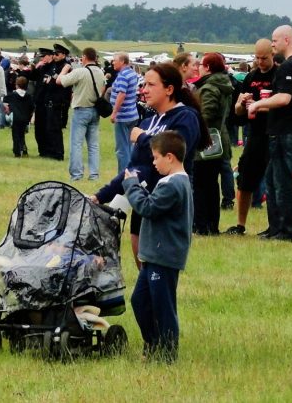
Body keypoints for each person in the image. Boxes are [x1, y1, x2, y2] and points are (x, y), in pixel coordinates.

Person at [93, 63, 204, 268]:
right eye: (143, 85)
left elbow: (176, 152)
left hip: (166, 203)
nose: (144, 90)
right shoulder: (147, 121)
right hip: (142, 200)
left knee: (157, 276)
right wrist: (101, 196)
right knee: (144, 276)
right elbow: (134, 168)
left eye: (151, 85)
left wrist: (143, 138)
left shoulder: (186, 116)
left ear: (169, 89)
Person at [123, 131, 192, 363]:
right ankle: (153, 344)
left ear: (170, 157)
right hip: (154, 256)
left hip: (164, 257)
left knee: (164, 307)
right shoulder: (170, 182)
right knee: (140, 301)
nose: (153, 162)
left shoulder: (174, 185)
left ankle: (167, 355)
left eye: (155, 157)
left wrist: (131, 185)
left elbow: (147, 208)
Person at [247, 25, 292, 241]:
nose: (272, 44)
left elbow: (284, 98)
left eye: (275, 40)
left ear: (287, 40)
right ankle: (275, 227)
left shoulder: (288, 67)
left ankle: (285, 230)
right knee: (273, 179)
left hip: (285, 130)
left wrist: (257, 104)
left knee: (280, 180)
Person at [225, 39, 277, 235]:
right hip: (254, 134)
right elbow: (238, 114)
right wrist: (240, 104)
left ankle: (275, 226)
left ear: (272, 54)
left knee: (273, 182)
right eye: (257, 58)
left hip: (273, 134)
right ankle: (240, 225)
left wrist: (259, 103)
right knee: (245, 180)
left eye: (264, 58)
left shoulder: (278, 75)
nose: (261, 62)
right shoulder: (250, 77)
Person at [192, 52, 234, 236]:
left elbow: (206, 116)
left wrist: (193, 126)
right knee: (211, 185)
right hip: (219, 139)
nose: (199, 67)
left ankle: (202, 225)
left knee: (201, 184)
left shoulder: (209, 88)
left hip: (207, 141)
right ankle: (211, 225)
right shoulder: (223, 84)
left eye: (201, 64)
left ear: (208, 67)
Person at [56, 47, 106, 182]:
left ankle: (77, 175)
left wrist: (64, 70)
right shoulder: (100, 72)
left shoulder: (81, 71)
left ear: (84, 57)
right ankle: (94, 175)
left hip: (81, 110)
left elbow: (60, 81)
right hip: (95, 110)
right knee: (93, 145)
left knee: (76, 144)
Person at [109, 53, 141, 174]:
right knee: (129, 146)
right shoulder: (132, 73)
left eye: (115, 60)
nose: (113, 62)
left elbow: (122, 94)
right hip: (132, 114)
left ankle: (124, 175)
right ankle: (132, 171)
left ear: (122, 61)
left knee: (122, 149)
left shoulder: (122, 75)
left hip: (123, 117)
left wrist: (114, 112)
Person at [3, 76, 33, 157]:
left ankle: (17, 152)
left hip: (16, 118)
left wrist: (7, 109)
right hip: (25, 118)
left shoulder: (13, 95)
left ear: (17, 85)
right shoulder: (28, 96)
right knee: (22, 134)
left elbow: (4, 100)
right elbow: (32, 107)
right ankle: (24, 150)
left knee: (15, 135)